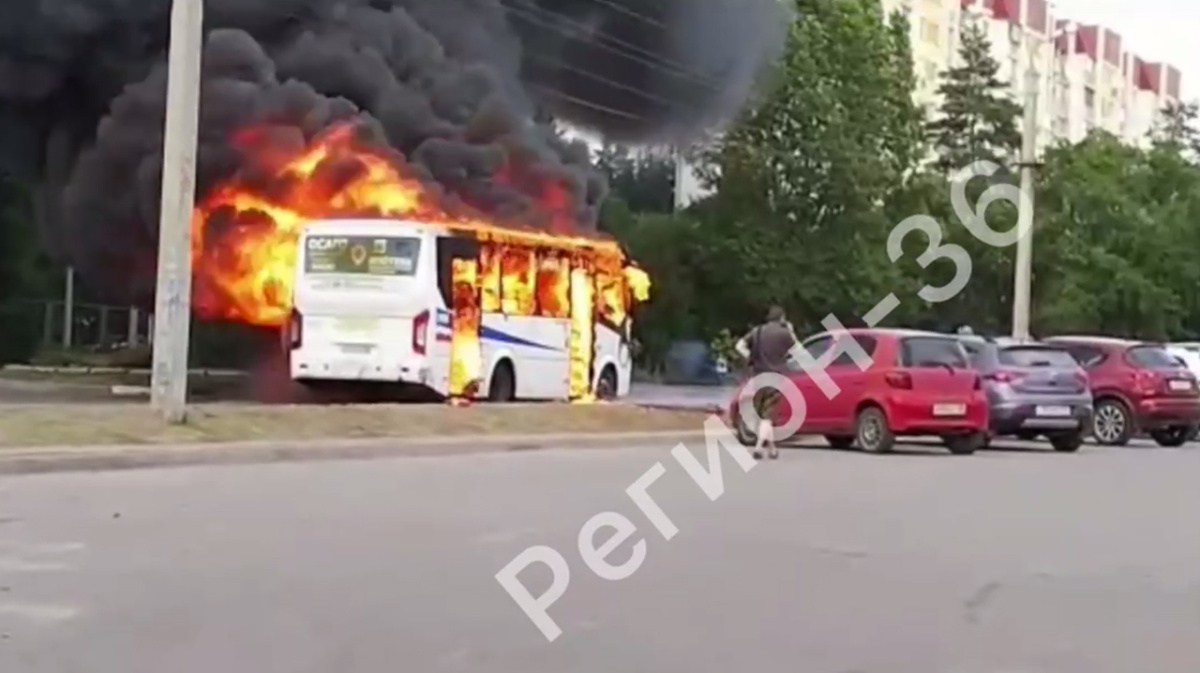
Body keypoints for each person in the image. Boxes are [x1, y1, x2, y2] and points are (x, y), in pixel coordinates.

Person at [735, 306, 798, 460]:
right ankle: (758, 447)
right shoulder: (784, 334)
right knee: (767, 416)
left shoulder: (757, 331)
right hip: (776, 377)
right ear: (782, 318)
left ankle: (772, 449)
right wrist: (791, 330)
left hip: (758, 375)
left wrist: (749, 357)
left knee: (762, 413)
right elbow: (796, 349)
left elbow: (739, 346)